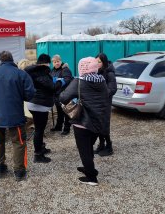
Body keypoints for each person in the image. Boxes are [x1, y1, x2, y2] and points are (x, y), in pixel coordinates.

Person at [0, 51, 35, 181]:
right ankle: (19, 171)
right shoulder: (21, 74)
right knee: (18, 142)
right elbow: (30, 93)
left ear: (0, 60)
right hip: (15, 114)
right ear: (12, 60)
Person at [59, 57, 110, 186]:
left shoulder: (79, 82)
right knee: (89, 147)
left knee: (84, 150)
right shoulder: (102, 80)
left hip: (82, 121)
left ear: (81, 68)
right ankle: (88, 168)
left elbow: (63, 97)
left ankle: (91, 177)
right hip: (98, 120)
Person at [25, 54, 54, 163]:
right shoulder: (42, 71)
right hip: (40, 104)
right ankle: (38, 155)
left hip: (32, 102)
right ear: (46, 62)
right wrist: (60, 82)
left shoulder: (31, 71)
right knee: (39, 129)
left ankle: (41, 147)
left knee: (39, 128)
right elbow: (51, 87)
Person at [93, 53, 117, 156]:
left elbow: (112, 89)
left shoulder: (109, 73)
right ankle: (101, 144)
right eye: (96, 62)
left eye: (99, 62)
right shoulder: (96, 72)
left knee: (104, 125)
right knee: (98, 125)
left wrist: (101, 94)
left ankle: (109, 146)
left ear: (104, 62)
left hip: (105, 103)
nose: (97, 64)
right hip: (97, 103)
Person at [50, 54, 73, 135]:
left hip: (64, 94)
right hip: (56, 95)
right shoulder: (52, 71)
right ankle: (58, 126)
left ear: (61, 61)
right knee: (59, 112)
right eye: (55, 62)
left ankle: (67, 129)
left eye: (58, 61)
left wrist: (57, 83)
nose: (57, 63)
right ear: (52, 63)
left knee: (66, 112)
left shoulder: (65, 70)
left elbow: (67, 80)